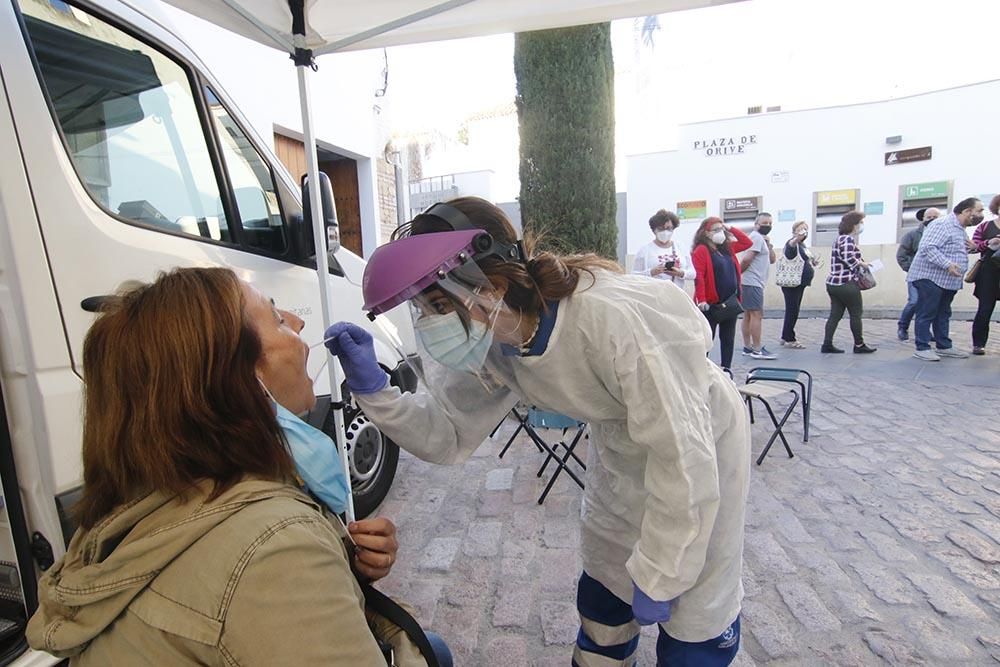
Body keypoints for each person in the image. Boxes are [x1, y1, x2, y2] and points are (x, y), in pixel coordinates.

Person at [325, 198, 750, 666]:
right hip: (619, 441)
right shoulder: (493, 337)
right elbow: (447, 433)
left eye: (440, 304)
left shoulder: (610, 320)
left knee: (696, 616)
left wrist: (664, 570)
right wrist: (377, 390)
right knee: (607, 587)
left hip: (701, 434)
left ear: (493, 285)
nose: (432, 322)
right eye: (425, 310)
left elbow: (683, 458)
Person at [26, 267, 450, 667]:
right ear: (241, 380)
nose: (298, 325)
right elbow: (254, 574)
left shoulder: (138, 497)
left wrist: (340, 568)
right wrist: (310, 572)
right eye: (277, 319)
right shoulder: (277, 548)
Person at [907, 197, 984, 361]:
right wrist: (947, 264)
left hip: (947, 281)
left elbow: (955, 249)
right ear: (967, 211)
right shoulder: (942, 224)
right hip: (929, 277)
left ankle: (944, 346)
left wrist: (976, 247)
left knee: (943, 313)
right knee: (927, 312)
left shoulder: (959, 228)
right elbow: (927, 247)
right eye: (979, 210)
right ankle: (922, 347)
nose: (981, 214)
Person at [691, 217, 754, 371]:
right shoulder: (701, 250)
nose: (720, 233)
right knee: (707, 339)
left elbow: (747, 242)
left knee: (728, 339)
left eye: (721, 229)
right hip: (711, 304)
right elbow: (699, 276)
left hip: (730, 301)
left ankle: (727, 370)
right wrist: (702, 299)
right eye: (716, 230)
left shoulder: (727, 248)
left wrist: (730, 227)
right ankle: (702, 370)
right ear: (706, 233)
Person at [822, 211, 877, 354]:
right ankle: (859, 344)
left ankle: (827, 344)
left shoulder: (839, 239)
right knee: (855, 313)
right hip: (846, 282)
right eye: (860, 223)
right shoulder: (847, 239)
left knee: (835, 314)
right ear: (854, 225)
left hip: (833, 283)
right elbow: (849, 258)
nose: (862, 226)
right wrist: (862, 264)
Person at [895, 207, 941, 340]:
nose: (932, 220)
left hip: (935, 276)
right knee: (914, 301)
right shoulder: (912, 235)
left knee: (930, 304)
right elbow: (902, 256)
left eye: (935, 217)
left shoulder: (942, 235)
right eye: (929, 217)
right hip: (916, 275)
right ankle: (903, 327)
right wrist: (912, 269)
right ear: (923, 219)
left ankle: (925, 331)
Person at [739, 213, 777, 359]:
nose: (767, 225)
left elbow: (772, 259)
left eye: (769, 223)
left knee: (749, 314)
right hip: (751, 282)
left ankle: (748, 347)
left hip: (755, 282)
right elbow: (747, 259)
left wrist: (769, 245)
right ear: (756, 224)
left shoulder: (761, 239)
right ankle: (756, 349)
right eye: (764, 223)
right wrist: (738, 274)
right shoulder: (755, 236)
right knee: (756, 315)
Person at [779, 221, 820, 348]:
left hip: (800, 282)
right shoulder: (792, 243)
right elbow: (790, 249)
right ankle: (789, 338)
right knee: (792, 310)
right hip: (792, 283)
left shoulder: (803, 245)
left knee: (794, 309)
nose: (804, 231)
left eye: (806, 229)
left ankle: (785, 336)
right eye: (801, 229)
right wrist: (797, 238)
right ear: (795, 230)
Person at [632, 209, 696, 290]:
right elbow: (634, 276)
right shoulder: (644, 251)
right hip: (654, 296)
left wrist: (681, 273)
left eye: (669, 228)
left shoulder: (680, 248)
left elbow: (693, 273)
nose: (665, 232)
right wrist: (651, 272)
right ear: (654, 230)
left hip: (676, 295)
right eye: (661, 228)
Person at [970, 195, 1000, 355]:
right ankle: (978, 344)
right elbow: (973, 247)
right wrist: (989, 243)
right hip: (988, 271)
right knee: (985, 308)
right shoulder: (985, 226)